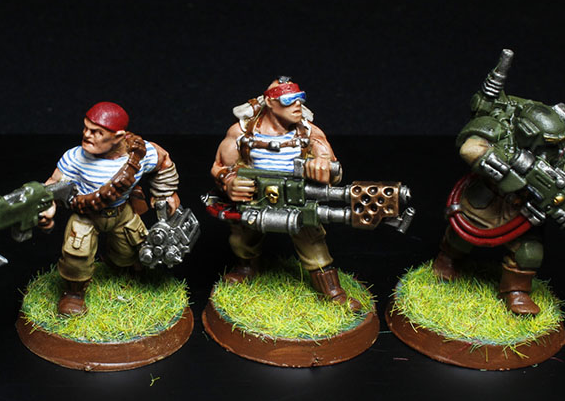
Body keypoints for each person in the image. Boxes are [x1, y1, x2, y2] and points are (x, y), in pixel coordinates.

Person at [210, 78, 359, 311]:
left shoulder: (308, 132)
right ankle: (246, 269)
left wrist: (322, 165)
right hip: (255, 198)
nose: (297, 105)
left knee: (313, 243)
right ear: (270, 102)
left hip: (297, 198)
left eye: (300, 98)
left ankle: (331, 291)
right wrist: (229, 183)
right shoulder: (242, 132)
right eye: (289, 100)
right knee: (243, 238)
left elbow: (333, 168)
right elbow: (220, 166)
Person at [432, 100, 565, 315]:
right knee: (462, 232)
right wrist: (501, 166)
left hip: (523, 210)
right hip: (489, 196)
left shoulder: (562, 157)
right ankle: (447, 261)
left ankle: (516, 292)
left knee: (529, 252)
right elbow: (469, 147)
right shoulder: (503, 130)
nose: (552, 147)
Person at [38, 102, 180, 316]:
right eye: (86, 128)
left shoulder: (141, 154)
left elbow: (164, 162)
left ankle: (122, 272)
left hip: (122, 212)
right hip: (86, 216)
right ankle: (74, 294)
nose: (87, 135)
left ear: (118, 136)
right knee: (77, 254)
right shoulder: (74, 158)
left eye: (97, 132)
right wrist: (48, 208)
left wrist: (166, 193)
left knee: (130, 249)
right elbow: (52, 185)